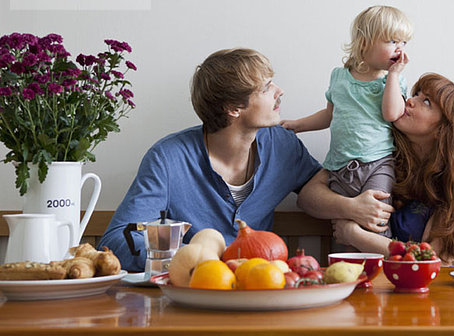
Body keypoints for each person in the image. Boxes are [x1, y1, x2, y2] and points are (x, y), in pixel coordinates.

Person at [99, 48, 323, 271]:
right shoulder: (167, 159)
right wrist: (193, 258)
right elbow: (118, 239)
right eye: (266, 88)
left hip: (259, 288)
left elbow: (322, 186)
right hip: (194, 291)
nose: (279, 91)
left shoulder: (282, 145)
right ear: (233, 108)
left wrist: (351, 210)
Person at [297, 73, 454, 265]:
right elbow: (307, 197)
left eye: (426, 102)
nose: (410, 101)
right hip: (361, 283)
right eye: (416, 94)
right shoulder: (376, 148)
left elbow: (428, 260)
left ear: (443, 130)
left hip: (413, 290)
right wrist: (352, 208)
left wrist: (353, 234)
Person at [281, 6, 412, 240]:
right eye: (392, 41)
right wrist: (298, 125)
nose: (399, 48)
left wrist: (393, 76)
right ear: (365, 43)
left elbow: (392, 114)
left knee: (375, 220)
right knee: (343, 229)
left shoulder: (393, 82)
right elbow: (330, 115)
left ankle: (382, 270)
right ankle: (345, 274)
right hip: (341, 166)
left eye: (403, 42)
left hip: (378, 163)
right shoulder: (339, 77)